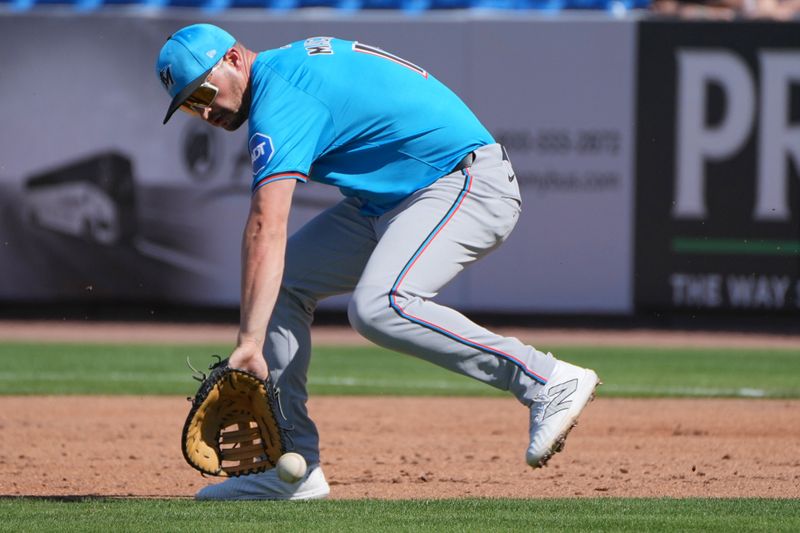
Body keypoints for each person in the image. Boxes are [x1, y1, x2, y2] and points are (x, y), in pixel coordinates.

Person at [156, 24, 600, 501]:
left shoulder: (281, 95)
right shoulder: (285, 73)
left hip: (464, 182)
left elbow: (267, 224)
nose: (203, 110)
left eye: (203, 90)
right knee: (285, 284)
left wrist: (248, 344)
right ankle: (295, 466)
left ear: (235, 60)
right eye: (188, 104)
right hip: (389, 203)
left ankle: (545, 380)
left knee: (380, 306)